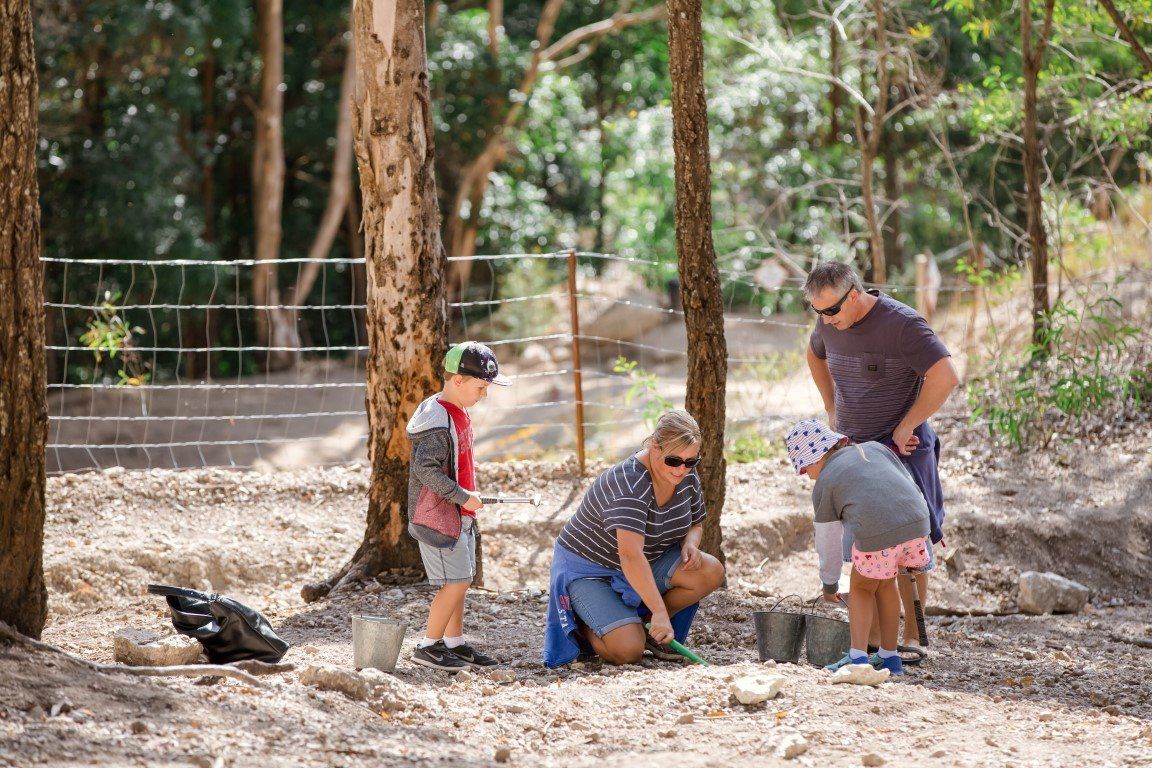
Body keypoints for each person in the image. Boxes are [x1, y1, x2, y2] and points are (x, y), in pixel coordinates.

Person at [803, 261, 959, 657]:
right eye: (817, 312)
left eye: (832, 311)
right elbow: (814, 355)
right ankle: (874, 640)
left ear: (854, 295)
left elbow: (945, 376)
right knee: (866, 546)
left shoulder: (903, 324)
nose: (824, 320)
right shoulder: (828, 323)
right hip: (856, 451)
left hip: (903, 451)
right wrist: (830, 405)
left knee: (911, 542)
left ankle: (914, 638)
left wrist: (908, 424)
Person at [543, 410, 725, 668]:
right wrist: (662, 611)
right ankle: (584, 623)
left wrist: (690, 543)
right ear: (654, 446)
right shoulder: (630, 484)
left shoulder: (684, 474)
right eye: (673, 460)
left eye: (690, 461)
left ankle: (645, 627)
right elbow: (629, 555)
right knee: (628, 652)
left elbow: (696, 522)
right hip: (592, 571)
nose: (681, 469)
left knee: (710, 571)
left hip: (644, 561)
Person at [786, 419, 932, 675]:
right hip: (918, 523)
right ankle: (889, 657)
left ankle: (857, 658)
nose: (806, 475)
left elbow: (828, 540)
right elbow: (904, 480)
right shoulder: (875, 448)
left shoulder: (826, 482)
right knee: (886, 584)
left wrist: (829, 584)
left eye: (803, 469)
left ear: (813, 457)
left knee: (862, 587)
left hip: (880, 530)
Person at [405, 341, 511, 671]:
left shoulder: (458, 410)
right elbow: (425, 469)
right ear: (459, 380)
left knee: (461, 579)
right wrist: (462, 496)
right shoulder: (436, 419)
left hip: (460, 514)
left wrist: (466, 499)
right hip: (440, 518)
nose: (484, 395)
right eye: (481, 387)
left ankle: (455, 642)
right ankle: (427, 646)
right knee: (456, 583)